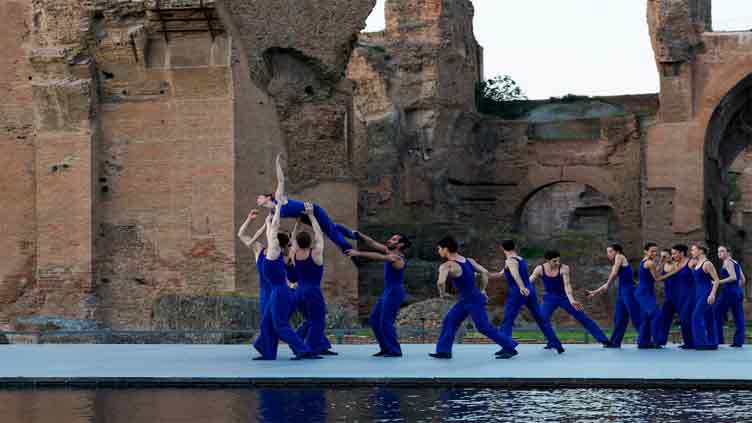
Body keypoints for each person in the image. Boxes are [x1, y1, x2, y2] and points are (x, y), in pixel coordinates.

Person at [429, 236, 519, 360]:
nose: (438, 251)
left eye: (439, 249)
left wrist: (442, 294)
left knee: (483, 327)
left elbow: (440, 282)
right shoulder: (468, 261)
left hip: (472, 300)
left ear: (446, 249)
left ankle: (510, 346)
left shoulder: (447, 266)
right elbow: (484, 273)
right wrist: (482, 289)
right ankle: (444, 351)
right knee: (450, 321)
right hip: (467, 299)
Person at [256, 154, 356, 263]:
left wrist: (277, 163)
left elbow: (281, 181)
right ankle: (352, 235)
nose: (257, 199)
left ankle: (351, 251)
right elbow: (271, 228)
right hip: (304, 217)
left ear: (267, 198)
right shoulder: (272, 212)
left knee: (331, 233)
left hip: (313, 211)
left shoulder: (278, 198)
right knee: (328, 228)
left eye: (259, 197)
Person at [252, 202, 320, 360]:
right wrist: (269, 216)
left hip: (281, 292)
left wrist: (276, 210)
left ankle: (303, 349)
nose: (270, 237)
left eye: (273, 238)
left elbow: (274, 228)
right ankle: (268, 353)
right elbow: (272, 229)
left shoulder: (274, 253)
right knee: (266, 323)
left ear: (276, 242)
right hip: (278, 292)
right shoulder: (276, 253)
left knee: (280, 325)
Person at [490, 240, 565, 354]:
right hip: (530, 290)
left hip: (519, 291)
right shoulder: (519, 259)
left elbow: (515, 274)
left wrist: (521, 287)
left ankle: (507, 348)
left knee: (507, 320)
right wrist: (482, 273)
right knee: (540, 318)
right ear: (515, 246)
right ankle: (556, 344)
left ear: (501, 248)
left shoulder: (510, 261)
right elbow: (500, 274)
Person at [347, 232, 411, 357]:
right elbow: (372, 243)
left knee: (386, 321)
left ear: (400, 245)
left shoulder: (397, 258)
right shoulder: (389, 251)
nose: (389, 240)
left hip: (395, 292)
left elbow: (378, 256)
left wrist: (358, 253)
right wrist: (360, 235)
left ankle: (395, 350)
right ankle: (386, 348)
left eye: (393, 239)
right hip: (387, 291)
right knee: (374, 319)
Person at [530, 250, 611, 348]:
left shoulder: (564, 268)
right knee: (542, 319)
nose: (557, 263)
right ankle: (552, 341)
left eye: (558, 260)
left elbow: (567, 285)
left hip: (564, 297)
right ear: (547, 260)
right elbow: (529, 281)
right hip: (549, 298)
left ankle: (604, 340)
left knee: (582, 316)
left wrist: (572, 300)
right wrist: (522, 288)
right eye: (554, 261)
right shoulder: (540, 269)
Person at [289, 202, 338, 356]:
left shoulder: (294, 254)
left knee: (310, 320)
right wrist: (311, 215)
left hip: (298, 292)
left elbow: (292, 239)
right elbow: (319, 235)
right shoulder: (315, 254)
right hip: (312, 291)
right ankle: (309, 349)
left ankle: (298, 342)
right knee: (318, 321)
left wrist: (297, 223)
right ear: (310, 242)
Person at [587, 244, 642, 348]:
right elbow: (609, 281)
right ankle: (615, 342)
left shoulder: (620, 257)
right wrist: (594, 292)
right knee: (619, 318)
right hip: (622, 292)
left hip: (629, 291)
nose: (608, 254)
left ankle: (646, 340)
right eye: (607, 252)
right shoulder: (616, 263)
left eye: (610, 251)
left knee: (635, 316)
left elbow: (614, 273)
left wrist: (607, 284)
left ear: (617, 251)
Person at [654, 245, 695, 348]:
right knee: (664, 317)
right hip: (670, 296)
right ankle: (660, 341)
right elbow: (656, 276)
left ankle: (689, 343)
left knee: (685, 318)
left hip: (684, 296)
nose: (672, 256)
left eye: (674, 253)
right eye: (671, 254)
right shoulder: (672, 264)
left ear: (681, 253)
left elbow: (697, 276)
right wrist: (662, 261)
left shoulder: (687, 263)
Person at [237, 209, 272, 314]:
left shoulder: (278, 251)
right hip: (265, 292)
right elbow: (241, 234)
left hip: (277, 291)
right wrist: (249, 219)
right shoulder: (259, 249)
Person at [689, 244, 722, 350]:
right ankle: (712, 343)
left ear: (701, 251)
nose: (691, 252)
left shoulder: (707, 264)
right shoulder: (696, 263)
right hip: (698, 293)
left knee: (696, 316)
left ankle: (701, 343)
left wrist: (712, 294)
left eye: (693, 250)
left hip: (706, 293)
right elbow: (697, 278)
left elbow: (716, 280)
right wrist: (691, 267)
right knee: (709, 317)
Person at [715, 246, 746, 347]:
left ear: (728, 252)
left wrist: (718, 282)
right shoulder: (735, 262)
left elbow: (733, 277)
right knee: (738, 316)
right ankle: (738, 342)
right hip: (737, 292)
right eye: (718, 251)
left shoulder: (727, 262)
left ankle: (719, 340)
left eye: (722, 251)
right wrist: (736, 289)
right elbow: (743, 279)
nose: (719, 253)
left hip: (728, 292)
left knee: (716, 313)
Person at [634, 243, 662, 349]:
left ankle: (643, 342)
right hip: (644, 292)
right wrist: (673, 272)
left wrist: (661, 262)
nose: (655, 253)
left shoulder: (645, 261)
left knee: (646, 317)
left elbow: (654, 272)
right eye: (652, 251)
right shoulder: (650, 262)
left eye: (656, 251)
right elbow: (657, 278)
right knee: (656, 314)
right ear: (645, 251)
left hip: (646, 292)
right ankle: (656, 341)